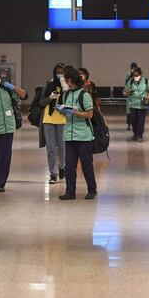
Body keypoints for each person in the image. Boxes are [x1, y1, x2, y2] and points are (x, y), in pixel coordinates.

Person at [58, 66, 97, 200]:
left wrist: (75, 112)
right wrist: (62, 110)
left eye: (65, 79)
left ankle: (92, 189)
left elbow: (89, 115)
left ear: (69, 80)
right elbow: (65, 112)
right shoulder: (65, 95)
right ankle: (70, 192)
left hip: (84, 136)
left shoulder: (84, 95)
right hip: (69, 135)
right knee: (69, 166)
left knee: (86, 165)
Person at [39, 63, 67, 184]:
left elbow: (71, 102)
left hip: (62, 119)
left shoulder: (67, 86)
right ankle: (53, 173)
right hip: (49, 119)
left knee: (62, 147)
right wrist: (50, 98)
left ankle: (62, 167)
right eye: (57, 72)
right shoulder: (49, 85)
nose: (59, 74)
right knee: (50, 148)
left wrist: (65, 89)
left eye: (62, 72)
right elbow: (41, 102)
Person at [124, 67, 149, 142]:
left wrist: (147, 97)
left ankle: (139, 135)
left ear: (141, 75)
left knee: (141, 120)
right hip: (133, 104)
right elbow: (124, 92)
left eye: (137, 75)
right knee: (133, 120)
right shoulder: (130, 81)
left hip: (142, 105)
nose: (135, 77)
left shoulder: (146, 81)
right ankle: (135, 133)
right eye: (134, 76)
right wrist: (128, 92)